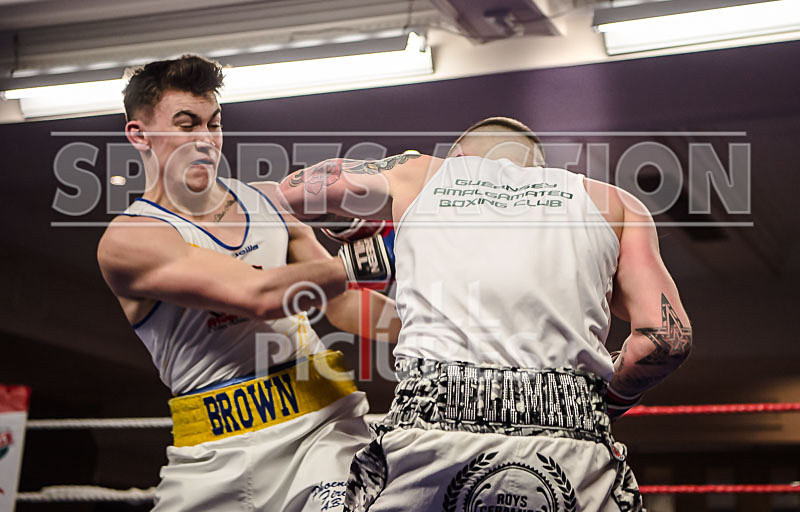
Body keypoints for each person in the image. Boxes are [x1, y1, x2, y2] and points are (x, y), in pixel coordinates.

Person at [278, 116, 693, 512]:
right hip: (571, 434)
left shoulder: (422, 173)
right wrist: (610, 400)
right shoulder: (614, 202)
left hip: (432, 426)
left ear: (459, 157)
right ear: (541, 168)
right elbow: (666, 340)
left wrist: (357, 222)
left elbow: (296, 190)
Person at [96, 55, 399, 512]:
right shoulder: (130, 238)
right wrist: (377, 255)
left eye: (213, 124)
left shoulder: (268, 202)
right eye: (186, 125)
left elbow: (339, 305)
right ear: (139, 135)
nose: (205, 140)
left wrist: (434, 326)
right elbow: (259, 296)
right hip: (214, 454)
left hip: (323, 428)